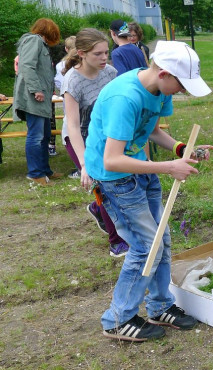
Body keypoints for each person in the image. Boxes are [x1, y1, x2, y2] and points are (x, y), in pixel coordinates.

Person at [84, 40, 213, 342]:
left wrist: (182, 149)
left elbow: (152, 131)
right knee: (145, 248)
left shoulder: (159, 90)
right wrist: (170, 167)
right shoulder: (125, 97)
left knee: (162, 240)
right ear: (165, 73)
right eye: (181, 84)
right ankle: (118, 319)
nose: (182, 91)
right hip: (116, 179)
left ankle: (159, 306)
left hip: (141, 168)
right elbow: (112, 159)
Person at [61, 28, 129, 257]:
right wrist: (84, 165)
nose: (104, 58)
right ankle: (116, 241)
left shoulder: (109, 72)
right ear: (81, 53)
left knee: (116, 184)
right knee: (101, 187)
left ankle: (97, 209)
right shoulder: (72, 81)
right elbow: (72, 125)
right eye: (97, 54)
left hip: (104, 136)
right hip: (79, 138)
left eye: (106, 53)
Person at [13, 18, 62, 186]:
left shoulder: (41, 44)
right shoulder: (33, 40)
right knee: (36, 136)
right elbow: (27, 66)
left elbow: (42, 71)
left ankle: (44, 170)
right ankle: (35, 173)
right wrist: (36, 90)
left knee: (45, 135)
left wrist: (49, 89)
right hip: (33, 97)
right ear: (49, 32)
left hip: (41, 98)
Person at [54, 35, 76, 163]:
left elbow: (59, 84)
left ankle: (80, 163)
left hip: (68, 102)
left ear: (66, 49)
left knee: (69, 131)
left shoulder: (60, 65)